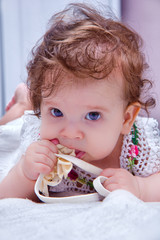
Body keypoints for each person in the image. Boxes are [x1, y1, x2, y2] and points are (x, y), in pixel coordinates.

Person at [0, 3, 160, 202]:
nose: (70, 133)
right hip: (21, 126)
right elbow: (4, 194)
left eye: (92, 115)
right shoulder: (38, 144)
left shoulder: (138, 146)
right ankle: (24, 103)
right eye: (57, 112)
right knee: (10, 127)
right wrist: (24, 174)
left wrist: (141, 187)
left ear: (126, 119)